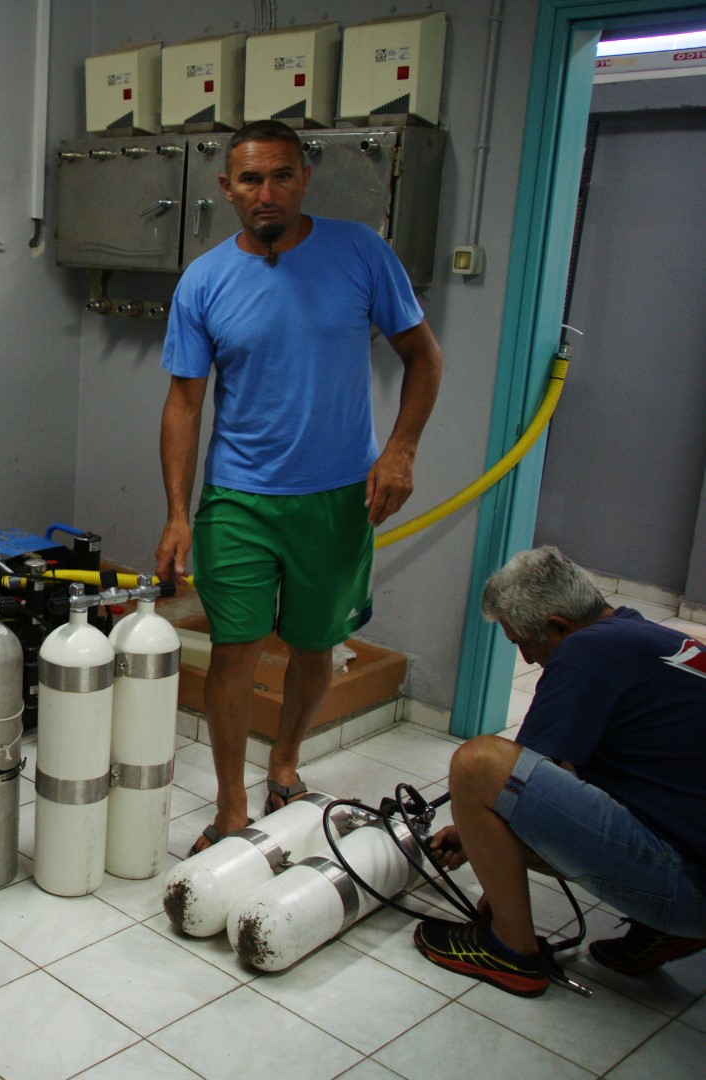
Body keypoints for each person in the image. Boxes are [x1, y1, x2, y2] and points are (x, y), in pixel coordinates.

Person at [153, 119, 443, 853]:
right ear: (227, 188)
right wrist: (178, 514)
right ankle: (230, 806)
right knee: (235, 649)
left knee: (316, 646)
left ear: (305, 178)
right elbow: (184, 403)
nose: (268, 193)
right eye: (251, 179)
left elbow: (423, 356)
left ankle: (284, 764)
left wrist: (401, 450)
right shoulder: (205, 280)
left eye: (282, 175)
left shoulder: (360, 252)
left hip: (338, 497)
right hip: (238, 498)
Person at [414, 546, 706, 996]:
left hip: (690, 889)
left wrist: (483, 852)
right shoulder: (643, 635)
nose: (528, 660)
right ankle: (664, 930)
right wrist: (474, 837)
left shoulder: (586, 649)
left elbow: (515, 789)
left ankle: (511, 952)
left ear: (558, 626)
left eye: (523, 643)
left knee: (479, 765)